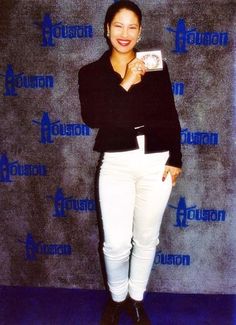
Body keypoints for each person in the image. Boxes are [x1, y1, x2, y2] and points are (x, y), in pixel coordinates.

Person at [78, 1, 182, 324]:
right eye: (118, 26)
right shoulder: (91, 73)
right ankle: (117, 297)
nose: (125, 34)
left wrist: (176, 156)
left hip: (157, 160)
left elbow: (169, 112)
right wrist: (125, 81)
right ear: (107, 29)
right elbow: (94, 117)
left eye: (132, 27)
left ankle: (135, 300)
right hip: (117, 162)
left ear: (140, 31)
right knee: (117, 243)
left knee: (147, 238)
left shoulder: (155, 65)